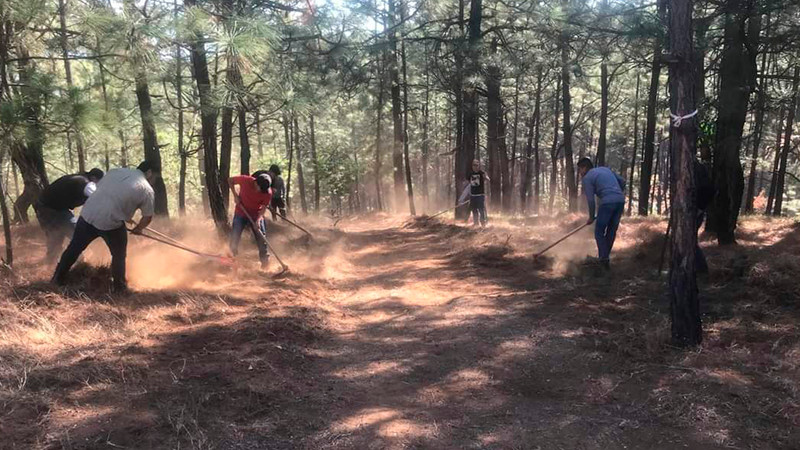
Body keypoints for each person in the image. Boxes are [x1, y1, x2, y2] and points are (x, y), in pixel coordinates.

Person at [52, 162, 156, 293]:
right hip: (110, 223)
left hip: (87, 215)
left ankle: (57, 278)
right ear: (149, 172)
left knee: (74, 248)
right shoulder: (146, 189)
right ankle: (119, 288)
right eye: (154, 176)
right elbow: (147, 217)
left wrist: (124, 214)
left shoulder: (115, 171)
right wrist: (139, 228)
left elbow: (107, 194)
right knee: (118, 255)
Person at [36, 168, 104, 262]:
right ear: (93, 178)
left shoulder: (79, 179)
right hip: (52, 209)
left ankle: (50, 262)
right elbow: (98, 199)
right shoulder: (86, 184)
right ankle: (81, 262)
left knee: (56, 235)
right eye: (100, 182)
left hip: (45, 207)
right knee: (76, 233)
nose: (100, 185)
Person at [577, 157, 626, 269]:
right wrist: (616, 193)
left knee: (599, 231)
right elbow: (622, 181)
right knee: (611, 231)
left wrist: (591, 216)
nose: (580, 173)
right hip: (620, 201)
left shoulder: (587, 178)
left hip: (607, 202)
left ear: (584, 168)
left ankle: (603, 259)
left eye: (580, 169)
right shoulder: (605, 169)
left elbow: (590, 199)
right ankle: (604, 258)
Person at [229, 173, 273, 269]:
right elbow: (230, 180)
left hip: (256, 214)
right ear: (255, 183)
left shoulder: (267, 193)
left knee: (262, 238)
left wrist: (258, 220)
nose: (261, 191)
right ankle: (233, 260)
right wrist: (235, 195)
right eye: (260, 188)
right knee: (235, 236)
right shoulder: (245, 180)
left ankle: (265, 264)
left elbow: (263, 209)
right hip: (241, 212)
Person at [695, 159, 714, 274]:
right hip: (693, 212)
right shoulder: (695, 170)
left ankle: (702, 269)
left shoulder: (699, 171)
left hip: (696, 213)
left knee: (690, 242)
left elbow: (710, 191)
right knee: (689, 242)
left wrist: (699, 209)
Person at [467, 159, 490, 227]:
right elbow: (469, 183)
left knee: (481, 209)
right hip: (473, 195)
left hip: (480, 195)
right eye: (474, 165)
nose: (475, 166)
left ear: (479, 166)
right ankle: (476, 223)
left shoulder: (482, 173)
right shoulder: (470, 174)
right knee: (474, 210)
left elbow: (488, 179)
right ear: (472, 166)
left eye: (476, 165)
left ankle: (483, 223)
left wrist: (486, 177)